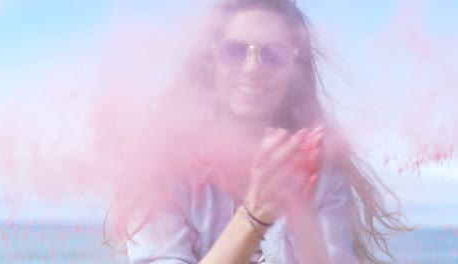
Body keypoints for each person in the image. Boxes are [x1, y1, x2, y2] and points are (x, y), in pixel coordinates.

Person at [119, 0, 408, 263]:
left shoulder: (322, 174)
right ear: (210, 60)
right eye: (234, 51)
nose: (252, 68)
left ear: (294, 67)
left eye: (273, 55)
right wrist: (255, 215)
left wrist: (303, 215)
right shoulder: (159, 172)